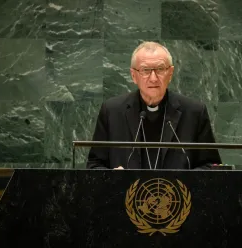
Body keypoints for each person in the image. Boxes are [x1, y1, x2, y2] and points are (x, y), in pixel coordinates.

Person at [86, 41, 222, 170]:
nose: (153, 78)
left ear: (170, 73)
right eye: (145, 70)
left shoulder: (194, 112)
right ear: (133, 75)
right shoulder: (112, 111)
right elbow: (94, 165)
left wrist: (185, 180)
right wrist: (114, 177)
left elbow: (212, 165)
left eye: (160, 69)